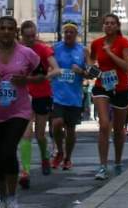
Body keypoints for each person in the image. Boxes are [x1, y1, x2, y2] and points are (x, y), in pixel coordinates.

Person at [0, 16, 44, 208]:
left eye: (10, 29)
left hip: (18, 111)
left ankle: (12, 196)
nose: (5, 32)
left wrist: (26, 80)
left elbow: (42, 74)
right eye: (2, 28)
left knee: (8, 150)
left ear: (16, 32)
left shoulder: (27, 53)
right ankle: (2, 196)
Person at [90, 13, 128, 180]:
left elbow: (127, 67)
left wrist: (111, 53)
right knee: (104, 124)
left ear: (117, 26)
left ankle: (118, 161)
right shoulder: (96, 43)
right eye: (106, 23)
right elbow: (91, 61)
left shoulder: (124, 43)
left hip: (120, 88)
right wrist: (90, 70)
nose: (108, 26)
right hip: (101, 87)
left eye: (112, 23)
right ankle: (102, 165)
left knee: (119, 130)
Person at [16, 20, 58, 187]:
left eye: (33, 36)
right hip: (24, 95)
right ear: (22, 36)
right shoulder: (17, 49)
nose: (31, 39)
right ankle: (25, 171)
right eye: (27, 37)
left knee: (40, 134)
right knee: (26, 134)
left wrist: (44, 77)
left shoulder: (43, 49)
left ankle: (45, 157)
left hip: (42, 94)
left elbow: (57, 69)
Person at [48, 22, 86, 171]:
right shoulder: (55, 49)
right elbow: (48, 65)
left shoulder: (82, 51)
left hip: (75, 97)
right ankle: (59, 151)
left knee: (71, 130)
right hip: (58, 95)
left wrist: (81, 71)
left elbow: (90, 72)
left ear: (76, 35)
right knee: (56, 124)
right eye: (66, 32)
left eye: (71, 32)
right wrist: (51, 73)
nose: (68, 35)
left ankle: (68, 158)